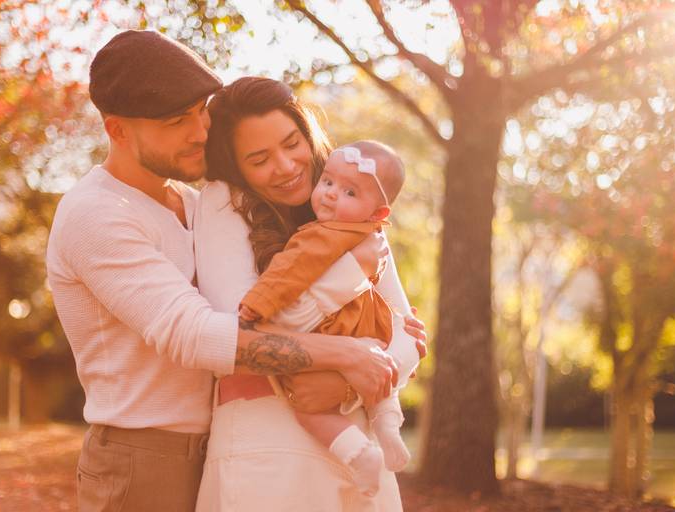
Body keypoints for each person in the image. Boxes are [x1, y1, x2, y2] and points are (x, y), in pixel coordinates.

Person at [46, 31, 408, 512]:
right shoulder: (96, 214)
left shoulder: (195, 205)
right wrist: (348, 354)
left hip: (222, 436)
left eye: (201, 112)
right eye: (178, 120)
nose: (200, 132)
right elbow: (199, 334)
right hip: (144, 451)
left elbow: (405, 330)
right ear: (118, 131)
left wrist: (354, 370)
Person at [194, 77, 422, 511]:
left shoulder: (358, 208)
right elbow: (240, 332)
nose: (284, 166)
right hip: (267, 446)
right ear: (237, 165)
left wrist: (349, 383)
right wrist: (354, 278)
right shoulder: (224, 203)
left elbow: (406, 337)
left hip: (359, 447)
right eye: (259, 159)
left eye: (292, 143)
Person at [237, 140, 413, 497]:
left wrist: (257, 303)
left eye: (349, 191)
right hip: (371, 337)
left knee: (308, 407)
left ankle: (359, 453)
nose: (331, 195)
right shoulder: (373, 240)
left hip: (332, 336)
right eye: (328, 182)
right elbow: (405, 329)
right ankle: (389, 429)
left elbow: (285, 277)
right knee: (381, 390)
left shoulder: (318, 235)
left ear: (379, 213)